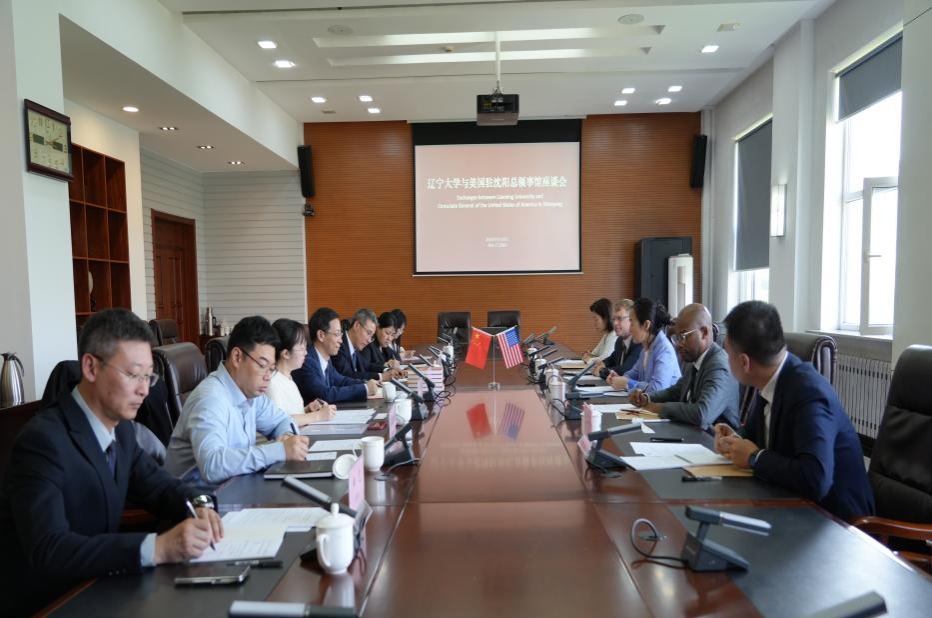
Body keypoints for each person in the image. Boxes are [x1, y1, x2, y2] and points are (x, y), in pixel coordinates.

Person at [0, 309, 222, 617]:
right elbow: (49, 549)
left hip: (103, 587)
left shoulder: (123, 431)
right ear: (90, 367)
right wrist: (157, 547)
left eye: (148, 376)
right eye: (133, 375)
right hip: (51, 604)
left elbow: (161, 488)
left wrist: (200, 505)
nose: (144, 389)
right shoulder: (42, 442)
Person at [714, 301, 874, 519]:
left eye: (727, 353)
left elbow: (816, 479)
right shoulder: (770, 380)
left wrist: (754, 458)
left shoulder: (809, 393)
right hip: (789, 504)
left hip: (837, 523)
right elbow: (753, 436)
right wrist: (734, 440)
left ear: (744, 362)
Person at [165, 316, 310, 484]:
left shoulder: (251, 392)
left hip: (236, 487)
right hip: (198, 501)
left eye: (271, 369)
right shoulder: (210, 399)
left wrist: (287, 437)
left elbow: (282, 420)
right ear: (237, 357)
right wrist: (278, 451)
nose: (267, 377)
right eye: (262, 366)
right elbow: (212, 465)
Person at [629, 303, 740, 430]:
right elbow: (676, 392)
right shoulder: (696, 360)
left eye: (683, 336)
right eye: (677, 337)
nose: (678, 345)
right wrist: (647, 398)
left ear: (703, 332)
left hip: (715, 442)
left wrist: (660, 408)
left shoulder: (719, 366)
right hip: (693, 434)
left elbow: (702, 413)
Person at [292, 307, 379, 404]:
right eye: (337, 334)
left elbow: (342, 381)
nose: (341, 341)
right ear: (321, 335)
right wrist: (365, 389)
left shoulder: (325, 360)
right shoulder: (307, 361)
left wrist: (366, 383)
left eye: (340, 335)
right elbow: (324, 395)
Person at [267, 318, 336, 425]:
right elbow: (279, 422)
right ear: (286, 353)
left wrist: (307, 410)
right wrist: (317, 416)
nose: (306, 353)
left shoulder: (287, 377)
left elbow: (290, 414)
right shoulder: (273, 382)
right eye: (301, 348)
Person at [608, 298, 680, 393]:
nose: (630, 329)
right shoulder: (645, 348)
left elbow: (657, 388)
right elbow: (633, 373)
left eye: (632, 323)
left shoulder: (664, 350)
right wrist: (618, 379)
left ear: (646, 325)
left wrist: (627, 383)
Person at [332, 309, 403, 382]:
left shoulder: (353, 346)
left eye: (371, 336)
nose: (369, 340)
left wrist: (387, 370)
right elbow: (348, 375)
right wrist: (381, 376)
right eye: (368, 333)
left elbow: (367, 365)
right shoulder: (339, 345)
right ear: (357, 325)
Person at [593, 299, 642, 379]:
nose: (615, 323)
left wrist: (602, 370)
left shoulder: (638, 343)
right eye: (614, 319)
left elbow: (625, 370)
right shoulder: (619, 341)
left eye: (619, 318)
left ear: (632, 319)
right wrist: (603, 363)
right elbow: (612, 359)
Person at [582, 298, 617, 362]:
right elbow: (595, 353)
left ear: (606, 318)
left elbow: (606, 357)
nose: (594, 323)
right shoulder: (606, 334)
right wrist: (588, 355)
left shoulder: (614, 335)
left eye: (596, 319)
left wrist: (589, 360)